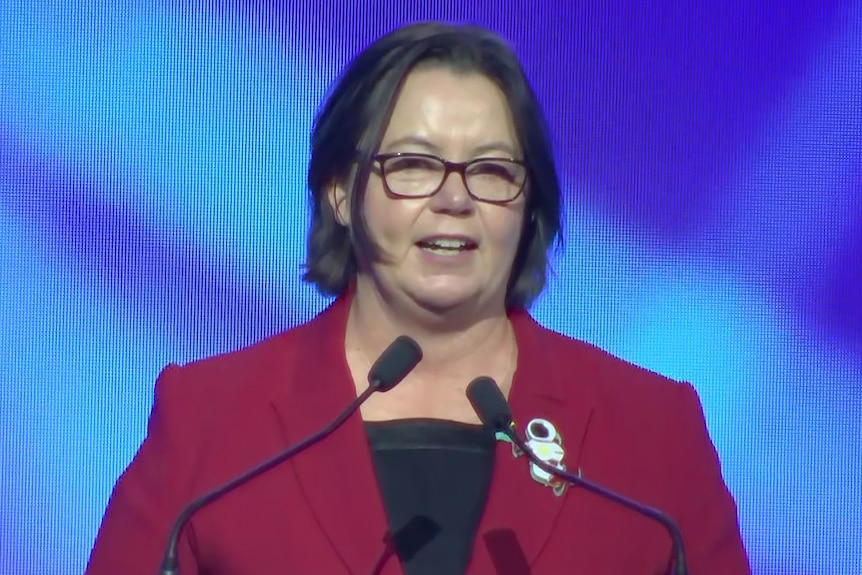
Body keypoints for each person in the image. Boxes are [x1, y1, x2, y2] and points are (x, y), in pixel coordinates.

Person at [86, 21, 751, 575]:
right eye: (412, 165)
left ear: (529, 207)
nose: (454, 199)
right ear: (341, 192)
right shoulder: (211, 422)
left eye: (491, 170)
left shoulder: (654, 435)